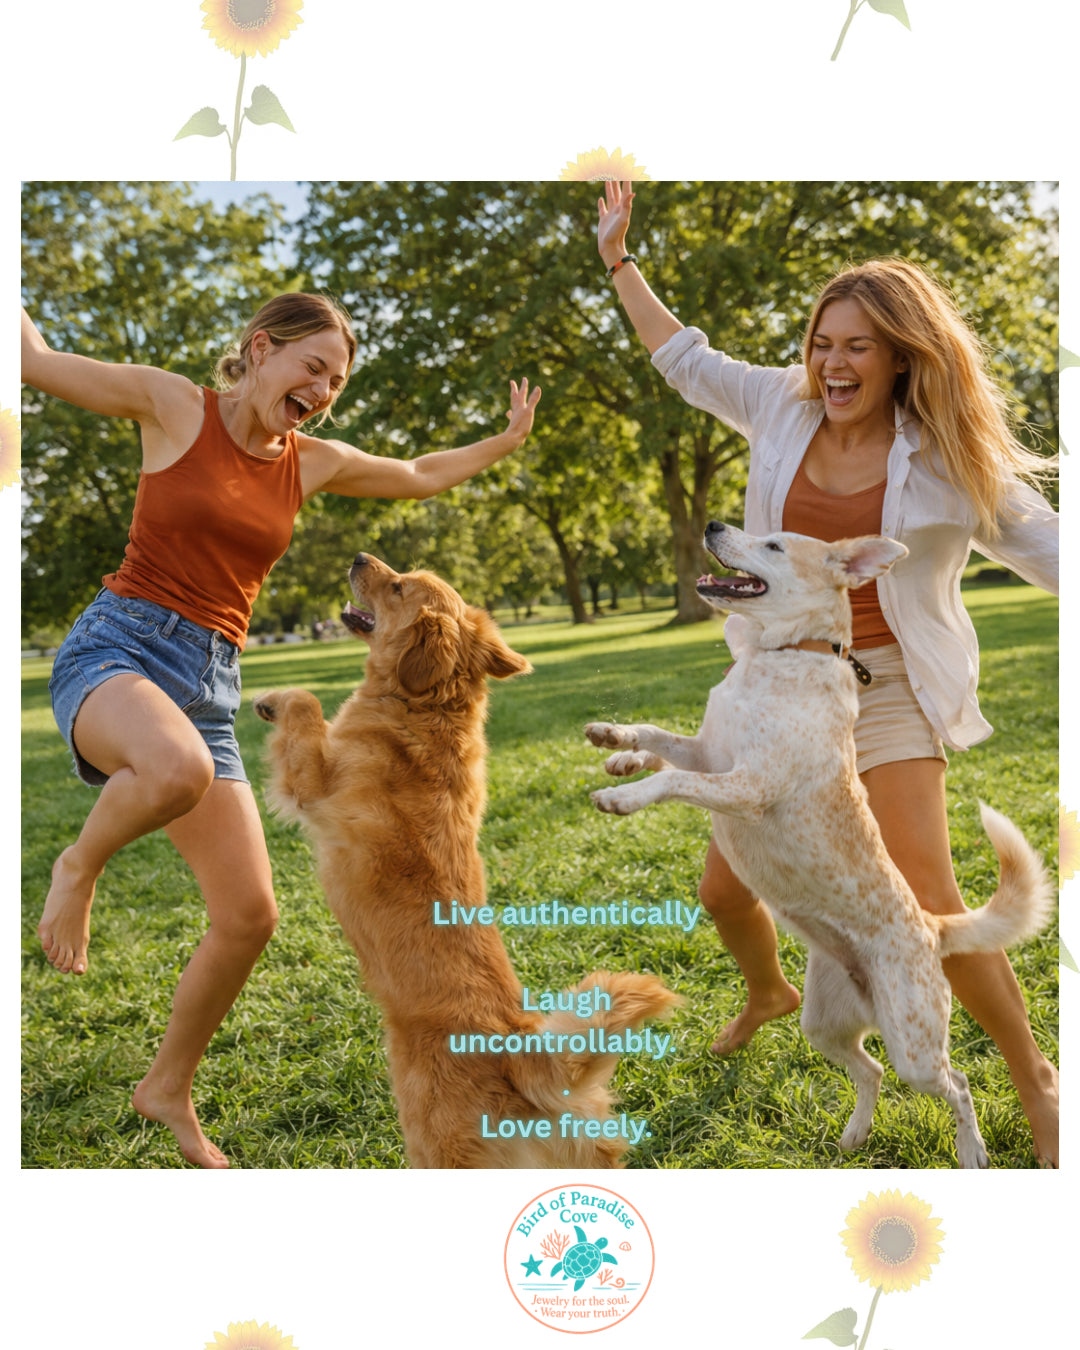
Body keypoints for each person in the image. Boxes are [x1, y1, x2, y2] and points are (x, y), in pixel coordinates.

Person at [595, 182, 1060, 1167]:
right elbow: (685, 360)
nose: (832, 361)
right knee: (726, 891)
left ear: (901, 353)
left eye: (857, 345)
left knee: (923, 886)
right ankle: (770, 988)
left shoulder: (949, 459)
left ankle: (1036, 1078)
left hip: (884, 683)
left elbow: (1053, 546)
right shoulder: (778, 403)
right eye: (822, 341)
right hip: (785, 683)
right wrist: (617, 261)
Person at [23, 292, 541, 1169]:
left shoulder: (310, 461)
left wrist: (503, 442)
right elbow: (33, 363)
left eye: (338, 380)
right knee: (173, 767)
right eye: (314, 368)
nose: (326, 389)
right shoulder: (171, 404)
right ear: (261, 349)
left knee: (250, 917)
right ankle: (76, 867)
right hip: (119, 649)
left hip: (211, 681)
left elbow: (416, 472)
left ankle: (166, 1088)